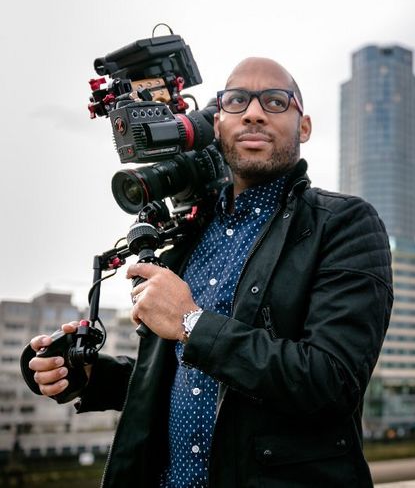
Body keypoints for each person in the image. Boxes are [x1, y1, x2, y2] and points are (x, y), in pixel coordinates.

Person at [24, 57, 393, 487]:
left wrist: (190, 323)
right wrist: (91, 376)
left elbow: (331, 382)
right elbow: (188, 378)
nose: (253, 112)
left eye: (275, 101)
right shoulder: (188, 233)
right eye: (237, 100)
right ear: (217, 125)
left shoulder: (343, 223)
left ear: (304, 127)